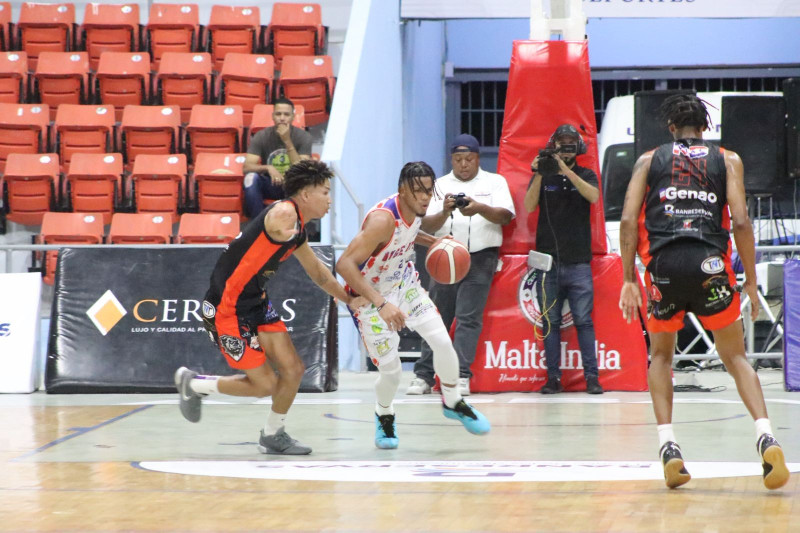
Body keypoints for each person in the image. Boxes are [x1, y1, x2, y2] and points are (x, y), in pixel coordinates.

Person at [618, 94, 789, 490]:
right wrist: (747, 280)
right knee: (735, 357)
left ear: (671, 128)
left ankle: (669, 447)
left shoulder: (648, 160)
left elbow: (628, 220)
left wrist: (628, 277)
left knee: (660, 356)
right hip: (710, 266)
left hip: (662, 267)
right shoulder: (727, 159)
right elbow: (742, 221)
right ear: (706, 128)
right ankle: (766, 436)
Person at [175, 160, 365, 455]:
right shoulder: (285, 213)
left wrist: (349, 299)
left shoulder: (299, 227)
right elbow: (275, 221)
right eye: (325, 192)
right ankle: (195, 384)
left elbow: (318, 273)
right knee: (264, 385)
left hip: (256, 303)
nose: (330, 200)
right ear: (305, 195)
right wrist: (283, 231)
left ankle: (273, 434)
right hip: (226, 309)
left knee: (293, 369)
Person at [336, 161, 491, 449]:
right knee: (392, 372)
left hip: (403, 284)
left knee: (443, 342)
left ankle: (453, 401)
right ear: (402, 191)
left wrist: (436, 241)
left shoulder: (415, 211)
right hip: (370, 297)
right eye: (417, 190)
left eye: (428, 190)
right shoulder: (382, 220)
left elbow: (411, 230)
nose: (423, 196)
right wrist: (381, 304)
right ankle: (384, 414)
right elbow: (344, 264)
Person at [406, 134, 515, 396]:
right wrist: (444, 211)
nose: (463, 164)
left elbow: (506, 216)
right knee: (436, 317)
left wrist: (479, 208)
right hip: (445, 255)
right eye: (458, 159)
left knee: (468, 318)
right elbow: (424, 225)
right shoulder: (439, 185)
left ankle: (461, 376)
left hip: (480, 257)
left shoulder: (495, 182)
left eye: (469, 159)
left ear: (478, 158)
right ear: (451, 160)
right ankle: (423, 375)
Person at [523, 124, 603, 395]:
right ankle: (553, 378)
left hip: (579, 261)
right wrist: (538, 173)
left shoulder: (587, 174)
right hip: (549, 263)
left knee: (584, 320)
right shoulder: (543, 175)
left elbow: (593, 196)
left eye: (570, 144)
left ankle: (592, 378)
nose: (565, 148)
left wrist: (566, 170)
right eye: (561, 143)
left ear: (578, 147)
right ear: (553, 144)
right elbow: (528, 206)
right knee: (550, 322)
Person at [242, 98, 313, 218]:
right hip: (271, 183)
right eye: (278, 114)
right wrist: (268, 167)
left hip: (293, 186)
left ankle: (297, 224)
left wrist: (287, 141)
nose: (282, 118)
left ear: (293, 117)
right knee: (250, 178)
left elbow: (302, 169)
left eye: (286, 114)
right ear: (273, 116)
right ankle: (259, 224)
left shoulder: (304, 137)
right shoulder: (262, 136)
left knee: (306, 183)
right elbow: (247, 167)